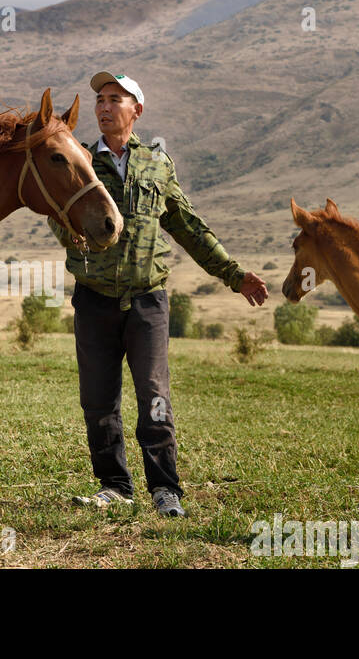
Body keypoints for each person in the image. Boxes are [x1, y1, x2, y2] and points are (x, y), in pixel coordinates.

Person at [50, 72, 269, 517]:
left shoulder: (157, 163)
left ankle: (165, 490)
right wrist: (67, 233)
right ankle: (114, 486)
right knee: (97, 398)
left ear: (137, 110)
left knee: (154, 395)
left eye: (115, 99)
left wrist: (233, 274)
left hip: (148, 300)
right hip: (94, 299)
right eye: (99, 100)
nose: (103, 107)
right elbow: (59, 212)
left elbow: (188, 226)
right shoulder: (82, 160)